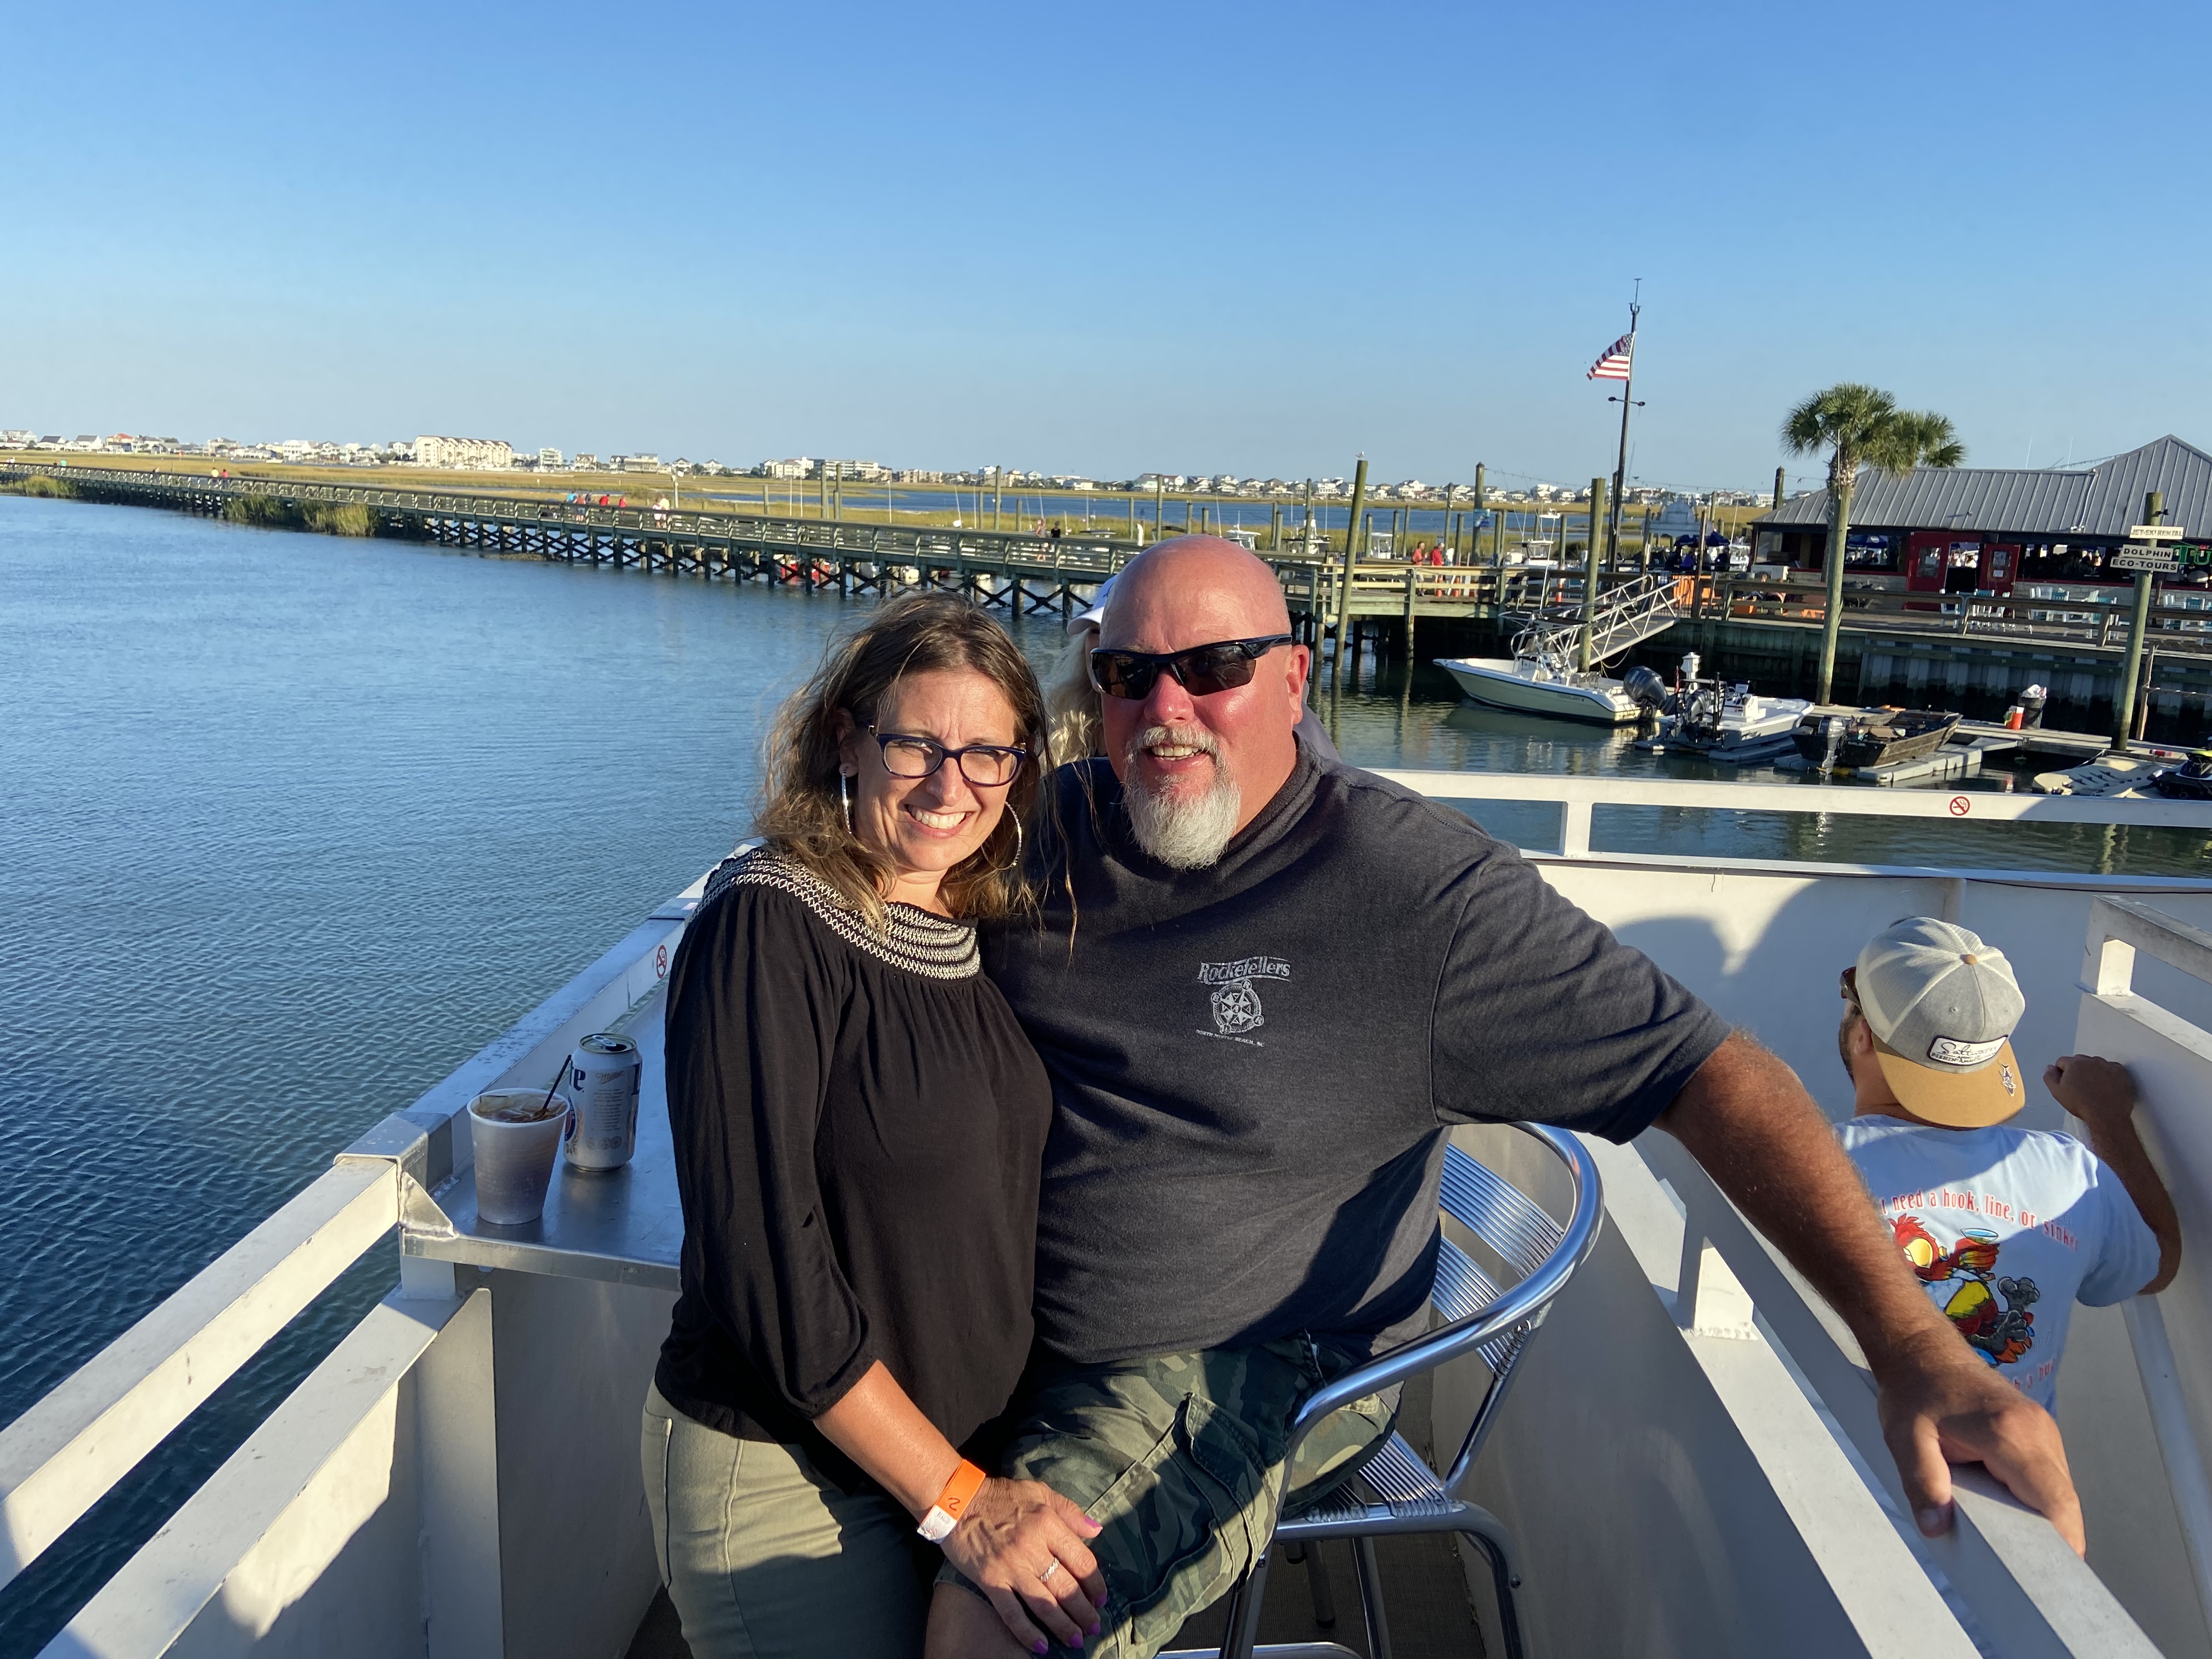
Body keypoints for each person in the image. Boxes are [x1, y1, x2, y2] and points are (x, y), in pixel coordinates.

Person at [927, 536, 2089, 1659]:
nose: (1167, 707)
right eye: (1130, 674)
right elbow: (857, 892)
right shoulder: (1038, 829)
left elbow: (1709, 1073)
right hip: (1002, 1326)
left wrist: (1913, 1349)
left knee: (1002, 1618)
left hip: (1247, 1367)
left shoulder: (1415, 898)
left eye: (1215, 668)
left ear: (1293, 677)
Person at [645, 594, 1108, 1659]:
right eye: (917, 744)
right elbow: (766, 1273)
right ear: (846, 738)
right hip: (793, 1480)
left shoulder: (973, 925)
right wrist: (962, 1504)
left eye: (990, 752)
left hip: (953, 1465)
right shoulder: (768, 923)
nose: (953, 785)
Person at [1835, 916, 2180, 1412]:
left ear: (1863, 1034)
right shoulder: (2070, 1173)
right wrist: (2109, 1119)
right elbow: (2158, 1263)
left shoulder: (1814, 1163)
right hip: (2018, 1477)